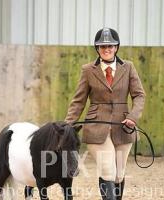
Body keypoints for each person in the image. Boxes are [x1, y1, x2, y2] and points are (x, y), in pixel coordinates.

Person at [65, 27, 145, 200]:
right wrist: (68, 124)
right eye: (102, 46)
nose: (107, 49)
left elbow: (139, 95)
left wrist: (132, 117)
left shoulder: (128, 67)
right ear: (97, 48)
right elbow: (79, 100)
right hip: (96, 127)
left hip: (123, 127)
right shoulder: (88, 70)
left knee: (119, 174)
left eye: (110, 46)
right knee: (108, 169)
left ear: (116, 47)